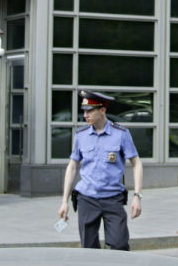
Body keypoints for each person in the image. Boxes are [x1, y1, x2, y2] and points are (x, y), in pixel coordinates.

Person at [58, 89, 143, 251]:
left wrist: (137, 196)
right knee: (89, 248)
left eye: (90, 111)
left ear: (102, 110)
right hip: (86, 199)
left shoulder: (121, 134)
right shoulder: (81, 135)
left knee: (120, 245)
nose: (85, 115)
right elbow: (73, 166)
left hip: (113, 198)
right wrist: (64, 202)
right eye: (84, 111)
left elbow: (136, 163)